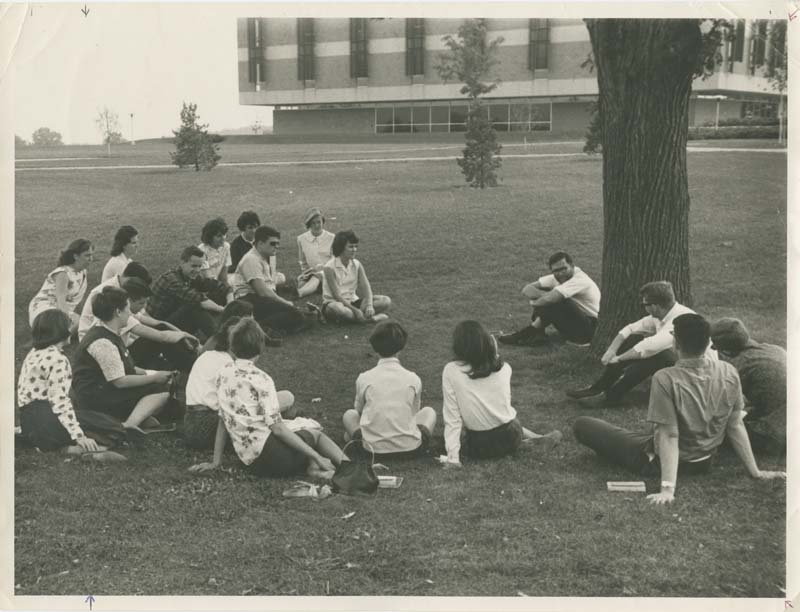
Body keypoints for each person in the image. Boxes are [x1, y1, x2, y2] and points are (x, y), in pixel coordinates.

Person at [573, 313, 785, 505]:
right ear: (708, 343)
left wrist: (667, 489)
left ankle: (645, 455)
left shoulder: (665, 378)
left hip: (660, 460)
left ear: (676, 343)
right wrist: (755, 472)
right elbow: (735, 424)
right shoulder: (728, 371)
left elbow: (669, 434)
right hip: (706, 460)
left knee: (583, 424)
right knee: (639, 435)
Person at [189, 318, 350, 478]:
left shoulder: (223, 373)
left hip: (250, 463)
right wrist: (317, 456)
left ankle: (313, 466)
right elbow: (278, 429)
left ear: (232, 345)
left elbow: (223, 420)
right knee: (315, 432)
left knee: (297, 428)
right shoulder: (262, 379)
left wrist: (216, 462)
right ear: (260, 348)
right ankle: (348, 466)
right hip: (275, 460)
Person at [567, 281, 716, 406]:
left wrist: (618, 359)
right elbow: (630, 329)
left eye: (645, 304)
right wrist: (611, 351)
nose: (644, 307)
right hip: (684, 363)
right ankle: (599, 387)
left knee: (657, 356)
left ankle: (611, 397)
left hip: (700, 375)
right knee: (634, 339)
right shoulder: (661, 315)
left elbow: (649, 347)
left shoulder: (679, 320)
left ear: (655, 306)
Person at [441, 320, 562, 466]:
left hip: (479, 446)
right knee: (502, 417)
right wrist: (492, 345)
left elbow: (452, 417)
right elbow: (493, 357)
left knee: (485, 421)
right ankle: (536, 439)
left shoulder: (451, 371)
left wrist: (453, 458)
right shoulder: (505, 368)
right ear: (488, 342)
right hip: (511, 435)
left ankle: (535, 440)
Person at [17, 309, 127, 459]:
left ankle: (54, 446)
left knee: (95, 419)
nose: (72, 330)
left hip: (29, 422)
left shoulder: (34, 352)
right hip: (47, 420)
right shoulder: (58, 359)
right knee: (113, 428)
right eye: (70, 326)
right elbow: (59, 401)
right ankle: (80, 450)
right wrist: (79, 436)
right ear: (61, 331)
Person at [183, 315, 298, 450]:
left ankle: (284, 416)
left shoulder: (207, 355)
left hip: (189, 424)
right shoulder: (230, 367)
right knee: (286, 397)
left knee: (275, 402)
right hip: (211, 423)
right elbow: (244, 405)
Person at [70, 286, 173, 433]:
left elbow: (123, 367)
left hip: (100, 388)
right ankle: (128, 425)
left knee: (159, 393)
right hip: (94, 397)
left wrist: (149, 373)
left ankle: (137, 415)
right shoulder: (102, 342)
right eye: (127, 309)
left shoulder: (107, 331)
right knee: (161, 392)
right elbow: (120, 381)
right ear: (118, 312)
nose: (130, 313)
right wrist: (155, 378)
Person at [342, 320, 437, 459]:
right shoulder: (413, 378)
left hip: (371, 451)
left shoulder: (364, 378)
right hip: (411, 450)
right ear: (401, 347)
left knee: (349, 415)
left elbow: (360, 412)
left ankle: (356, 438)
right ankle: (404, 439)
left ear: (375, 347)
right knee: (429, 412)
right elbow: (414, 413)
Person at [710, 318, 786, 455]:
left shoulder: (742, 364)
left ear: (727, 351)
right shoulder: (775, 349)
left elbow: (718, 402)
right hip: (785, 416)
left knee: (716, 428)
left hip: (779, 433)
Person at [498, 251, 600, 347]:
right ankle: (536, 334)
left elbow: (549, 299)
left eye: (563, 269)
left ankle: (528, 333)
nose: (560, 273)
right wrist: (543, 296)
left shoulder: (579, 279)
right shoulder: (557, 277)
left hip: (591, 328)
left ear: (572, 266)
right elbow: (527, 289)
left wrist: (536, 302)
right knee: (549, 294)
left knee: (557, 300)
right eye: (556, 270)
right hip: (578, 321)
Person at [232, 225, 311, 336]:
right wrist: (286, 303)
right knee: (296, 314)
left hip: (259, 299)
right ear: (260, 243)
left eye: (277, 243)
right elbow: (262, 292)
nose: (276, 247)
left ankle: (271, 328)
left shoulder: (262, 257)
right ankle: (256, 329)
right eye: (272, 243)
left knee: (303, 315)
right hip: (248, 300)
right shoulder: (251, 259)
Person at [146, 246, 226, 340]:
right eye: (194, 266)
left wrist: (230, 300)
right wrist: (223, 309)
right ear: (182, 263)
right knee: (194, 306)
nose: (197, 270)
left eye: (199, 266)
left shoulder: (189, 275)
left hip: (173, 316)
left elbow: (217, 285)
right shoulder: (171, 280)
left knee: (215, 295)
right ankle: (220, 340)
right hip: (158, 325)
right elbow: (199, 300)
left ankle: (225, 333)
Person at [321, 230, 391, 324]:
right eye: (350, 247)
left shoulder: (357, 264)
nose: (354, 249)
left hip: (353, 301)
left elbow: (366, 287)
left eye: (355, 246)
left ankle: (356, 318)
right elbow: (337, 296)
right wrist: (355, 310)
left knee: (385, 300)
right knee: (340, 310)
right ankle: (370, 319)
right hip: (334, 303)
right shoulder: (329, 267)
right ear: (341, 248)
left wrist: (369, 305)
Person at [28, 239, 94, 333]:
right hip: (45, 309)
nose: (91, 259)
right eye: (87, 255)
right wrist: (67, 321)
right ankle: (54, 339)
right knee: (79, 322)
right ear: (76, 256)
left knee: (85, 324)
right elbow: (61, 300)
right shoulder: (63, 273)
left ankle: (55, 336)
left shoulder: (82, 272)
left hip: (60, 309)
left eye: (91, 255)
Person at [296, 207, 335, 298]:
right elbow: (303, 261)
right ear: (309, 225)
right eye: (313, 223)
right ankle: (318, 287)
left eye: (319, 222)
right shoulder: (301, 239)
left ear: (323, 222)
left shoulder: (332, 237)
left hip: (329, 271)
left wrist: (323, 268)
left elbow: (335, 259)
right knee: (301, 283)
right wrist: (305, 273)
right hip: (311, 272)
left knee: (318, 276)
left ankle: (300, 293)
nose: (317, 225)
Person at [198, 217, 233, 305]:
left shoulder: (226, 247)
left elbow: (223, 277)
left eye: (224, 235)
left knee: (232, 294)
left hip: (218, 284)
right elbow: (206, 279)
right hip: (204, 287)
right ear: (210, 237)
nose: (223, 238)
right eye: (219, 236)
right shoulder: (202, 250)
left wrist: (228, 289)